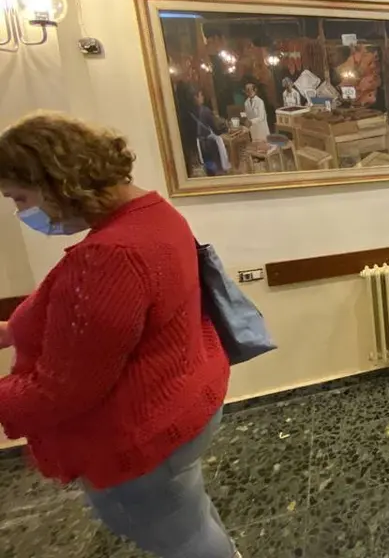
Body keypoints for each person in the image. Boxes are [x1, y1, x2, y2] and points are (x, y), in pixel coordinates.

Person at [0, 113, 237, 558]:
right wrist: (14, 331)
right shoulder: (154, 212)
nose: (21, 212)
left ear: (56, 181)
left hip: (141, 433)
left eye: (21, 198)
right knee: (188, 518)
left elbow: (60, 391)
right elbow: (92, 318)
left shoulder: (110, 256)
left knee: (181, 538)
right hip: (185, 400)